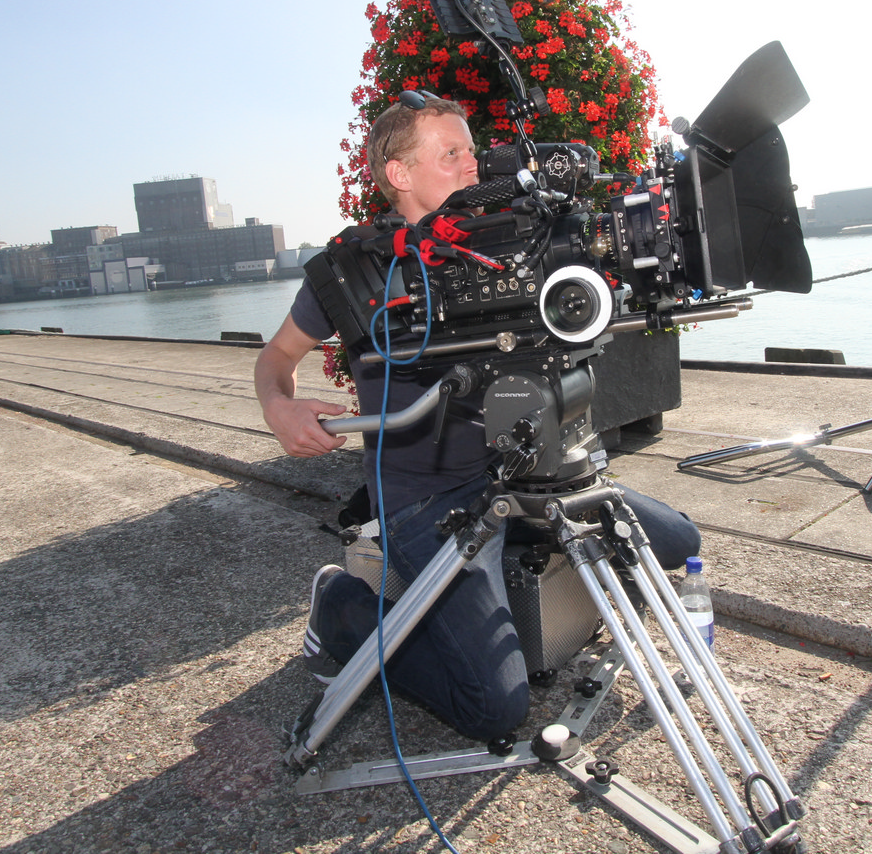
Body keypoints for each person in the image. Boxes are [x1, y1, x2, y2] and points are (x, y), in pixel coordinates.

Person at [255, 91, 700, 741]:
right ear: (399, 174)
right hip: (427, 502)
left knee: (679, 542)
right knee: (494, 707)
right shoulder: (356, 269)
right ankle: (344, 610)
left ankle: (522, 553)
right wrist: (279, 407)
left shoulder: (511, 242)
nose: (475, 165)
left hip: (525, 473)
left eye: (472, 150)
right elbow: (275, 358)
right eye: (452, 154)